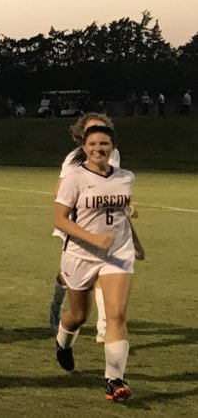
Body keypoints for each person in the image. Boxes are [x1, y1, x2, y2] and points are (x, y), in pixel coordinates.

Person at [51, 125, 141, 402]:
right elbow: (60, 219)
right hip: (80, 254)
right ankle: (63, 344)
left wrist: (135, 241)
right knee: (78, 315)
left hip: (118, 253)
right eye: (93, 144)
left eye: (104, 144)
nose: (98, 149)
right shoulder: (75, 177)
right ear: (84, 147)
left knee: (116, 315)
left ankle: (115, 380)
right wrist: (91, 238)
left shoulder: (126, 177)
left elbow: (121, 213)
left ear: (112, 147)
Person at [47, 114, 122, 340]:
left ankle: (104, 328)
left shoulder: (113, 154)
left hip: (100, 223)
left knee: (102, 272)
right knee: (72, 278)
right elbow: (58, 191)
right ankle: (57, 303)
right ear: (82, 136)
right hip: (74, 223)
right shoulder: (73, 159)